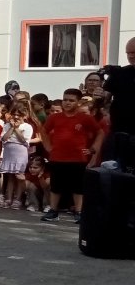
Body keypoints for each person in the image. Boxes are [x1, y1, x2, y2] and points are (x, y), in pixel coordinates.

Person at [41, 89, 104, 223]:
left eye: (71, 100)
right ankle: (53, 211)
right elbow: (44, 131)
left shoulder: (85, 118)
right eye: (65, 100)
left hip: (78, 158)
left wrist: (94, 148)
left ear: (78, 102)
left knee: (78, 187)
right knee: (56, 185)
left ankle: (79, 211)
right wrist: (48, 147)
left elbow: (100, 132)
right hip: (58, 157)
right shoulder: (54, 117)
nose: (67, 103)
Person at [0, 104, 34, 209]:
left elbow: (24, 140)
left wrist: (17, 129)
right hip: (9, 151)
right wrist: (11, 128)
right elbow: (4, 138)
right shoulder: (7, 125)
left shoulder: (27, 127)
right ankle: (8, 199)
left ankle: (18, 199)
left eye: (19, 115)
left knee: (19, 176)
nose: (16, 117)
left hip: (20, 152)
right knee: (10, 176)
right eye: (14, 114)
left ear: (25, 115)